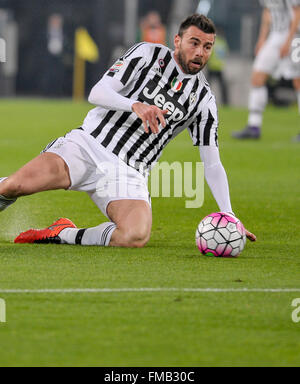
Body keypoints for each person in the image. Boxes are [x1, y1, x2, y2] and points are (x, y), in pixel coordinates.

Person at [0, 14, 256, 247]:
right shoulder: (147, 54)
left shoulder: (204, 99)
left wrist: (229, 214)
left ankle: (62, 233)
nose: (200, 52)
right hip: (88, 145)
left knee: (135, 235)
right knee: (14, 185)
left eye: (207, 47)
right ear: (177, 41)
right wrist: (134, 105)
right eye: (194, 43)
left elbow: (211, 164)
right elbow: (97, 92)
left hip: (128, 172)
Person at [232, 0, 300, 140]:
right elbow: (267, 11)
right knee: (257, 77)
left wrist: (289, 40)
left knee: (298, 81)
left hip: (294, 36)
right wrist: (262, 38)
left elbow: (297, 12)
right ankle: (254, 127)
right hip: (275, 36)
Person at [207, 27, 229, 105]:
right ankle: (225, 102)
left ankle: (204, 100)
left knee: (207, 86)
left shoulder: (213, 42)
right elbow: (225, 53)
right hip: (218, 67)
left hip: (213, 67)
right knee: (223, 87)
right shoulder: (223, 42)